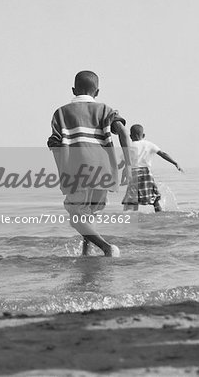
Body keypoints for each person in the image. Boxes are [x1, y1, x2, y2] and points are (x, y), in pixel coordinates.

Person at [47, 71, 132, 257]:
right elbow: (125, 134)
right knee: (89, 213)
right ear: (97, 92)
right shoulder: (106, 110)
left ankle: (106, 248)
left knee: (76, 218)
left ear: (73, 90)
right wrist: (129, 166)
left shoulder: (60, 113)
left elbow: (56, 145)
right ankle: (86, 253)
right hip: (104, 171)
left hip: (77, 172)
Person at [119, 124, 183, 212]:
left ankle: (130, 219)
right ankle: (159, 215)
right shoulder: (149, 144)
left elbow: (122, 163)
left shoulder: (129, 146)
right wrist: (175, 163)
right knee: (155, 198)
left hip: (134, 174)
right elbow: (163, 154)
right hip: (146, 174)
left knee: (132, 199)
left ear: (130, 136)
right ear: (143, 135)